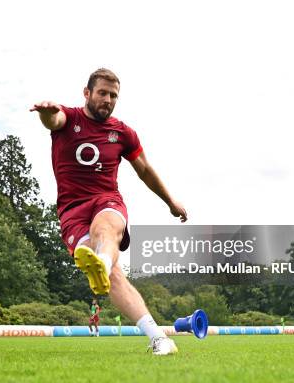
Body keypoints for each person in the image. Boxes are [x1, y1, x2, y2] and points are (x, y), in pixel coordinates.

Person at [30, 68, 187, 356]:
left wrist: (170, 201)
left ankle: (101, 260)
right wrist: (46, 112)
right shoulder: (69, 117)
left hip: (107, 200)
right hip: (72, 211)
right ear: (87, 93)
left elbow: (145, 170)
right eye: (102, 93)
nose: (108, 99)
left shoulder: (123, 133)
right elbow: (54, 120)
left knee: (105, 230)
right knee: (113, 275)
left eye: (113, 95)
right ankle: (159, 338)